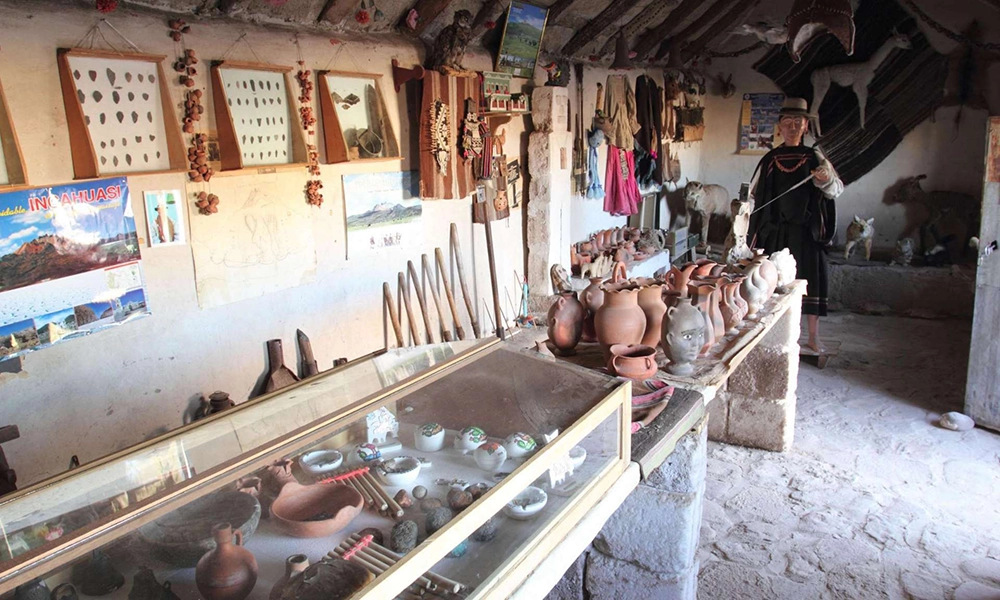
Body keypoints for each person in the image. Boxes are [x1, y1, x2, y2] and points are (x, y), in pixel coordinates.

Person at [748, 97, 844, 354]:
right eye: (787, 122)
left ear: (805, 127)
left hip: (807, 231)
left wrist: (824, 180)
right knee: (773, 281)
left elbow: (836, 189)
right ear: (779, 126)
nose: (792, 127)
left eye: (798, 122)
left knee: (811, 280)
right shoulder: (770, 158)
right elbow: (755, 194)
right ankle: (770, 334)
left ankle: (812, 337)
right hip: (776, 231)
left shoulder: (815, 156)